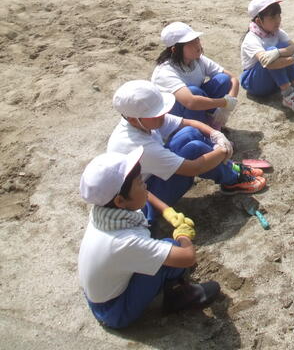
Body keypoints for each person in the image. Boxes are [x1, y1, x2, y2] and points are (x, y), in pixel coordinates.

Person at [78, 149, 220, 329]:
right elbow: (188, 257)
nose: (144, 185)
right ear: (120, 200)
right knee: (172, 249)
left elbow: (146, 196)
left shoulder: (103, 211)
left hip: (98, 293)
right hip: (114, 310)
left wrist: (167, 211)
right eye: (139, 182)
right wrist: (182, 234)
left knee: (145, 208)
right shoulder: (124, 242)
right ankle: (176, 296)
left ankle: (155, 263)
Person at [108, 80, 266, 223]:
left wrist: (215, 134)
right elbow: (193, 168)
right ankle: (232, 179)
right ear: (133, 119)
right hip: (145, 199)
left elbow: (187, 123)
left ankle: (229, 167)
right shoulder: (137, 145)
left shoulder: (138, 121)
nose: (162, 115)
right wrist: (223, 150)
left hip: (150, 179)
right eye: (156, 114)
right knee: (194, 149)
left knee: (189, 133)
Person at [152, 21, 239, 129]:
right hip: (173, 116)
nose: (197, 45)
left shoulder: (197, 59)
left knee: (223, 80)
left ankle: (211, 121)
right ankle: (200, 131)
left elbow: (233, 78)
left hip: (195, 106)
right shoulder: (165, 72)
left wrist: (227, 106)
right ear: (175, 50)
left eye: (196, 39)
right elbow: (191, 102)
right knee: (194, 91)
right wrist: (225, 103)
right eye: (190, 43)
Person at [240, 0, 294, 113]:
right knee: (271, 52)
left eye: (279, 15)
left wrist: (279, 52)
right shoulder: (251, 39)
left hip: (273, 82)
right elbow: (268, 63)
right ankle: (288, 95)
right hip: (255, 84)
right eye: (272, 17)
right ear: (259, 21)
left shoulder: (277, 31)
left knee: (281, 47)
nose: (278, 20)